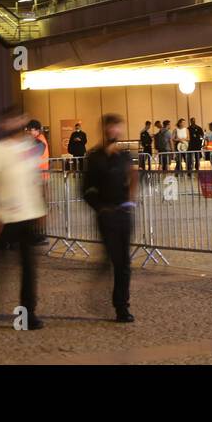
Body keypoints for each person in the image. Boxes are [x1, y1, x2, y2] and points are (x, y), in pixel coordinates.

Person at [0, 114, 46, 331]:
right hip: (5, 218)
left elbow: (34, 179)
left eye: (19, 121)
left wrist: (41, 208)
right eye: (12, 121)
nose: (16, 126)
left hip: (27, 215)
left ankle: (27, 315)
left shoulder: (28, 148)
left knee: (28, 269)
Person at [82, 114, 138, 323]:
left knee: (123, 262)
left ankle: (122, 306)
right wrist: (99, 208)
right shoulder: (94, 157)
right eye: (110, 127)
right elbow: (86, 189)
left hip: (123, 214)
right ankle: (105, 285)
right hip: (106, 215)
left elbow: (133, 177)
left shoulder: (125, 156)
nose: (113, 131)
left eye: (117, 127)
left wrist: (131, 201)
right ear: (104, 129)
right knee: (114, 259)